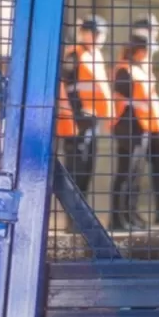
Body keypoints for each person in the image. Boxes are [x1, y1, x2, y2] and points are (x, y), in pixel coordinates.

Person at [109, 15, 159, 231]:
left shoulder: (141, 65)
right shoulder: (127, 68)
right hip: (130, 125)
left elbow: (150, 95)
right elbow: (128, 94)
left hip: (144, 125)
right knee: (127, 172)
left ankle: (133, 215)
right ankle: (119, 218)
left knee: (142, 170)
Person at [58, 15, 114, 229]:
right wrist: (80, 113)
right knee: (76, 170)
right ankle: (72, 219)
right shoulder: (75, 54)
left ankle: (79, 217)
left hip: (90, 121)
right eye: (98, 33)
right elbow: (69, 88)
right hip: (76, 122)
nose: (101, 37)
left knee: (86, 168)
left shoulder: (94, 55)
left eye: (103, 33)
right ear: (86, 33)